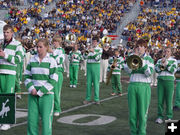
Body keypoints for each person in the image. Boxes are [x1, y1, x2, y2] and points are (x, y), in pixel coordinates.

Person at [24, 38, 58, 135]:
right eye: (37, 47)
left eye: (40, 47)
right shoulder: (32, 60)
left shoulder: (51, 61)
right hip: (33, 95)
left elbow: (54, 79)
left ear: (46, 47)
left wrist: (40, 92)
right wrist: (32, 89)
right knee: (31, 121)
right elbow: (27, 76)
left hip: (46, 95)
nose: (38, 49)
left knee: (46, 122)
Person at [124, 39, 154, 135]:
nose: (139, 48)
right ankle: (133, 132)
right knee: (132, 113)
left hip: (144, 86)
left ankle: (141, 132)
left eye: (141, 46)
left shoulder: (149, 59)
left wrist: (141, 61)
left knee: (142, 113)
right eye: (137, 46)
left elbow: (149, 73)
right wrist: (132, 59)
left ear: (145, 48)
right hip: (132, 85)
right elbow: (128, 70)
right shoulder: (132, 57)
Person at [0, 24, 24, 130]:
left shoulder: (17, 44)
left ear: (12, 33)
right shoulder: (1, 44)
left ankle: (8, 122)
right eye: (4, 32)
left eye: (7, 32)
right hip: (0, 72)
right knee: (1, 97)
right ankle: (2, 119)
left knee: (8, 96)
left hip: (10, 73)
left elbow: (19, 59)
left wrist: (5, 55)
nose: (5, 34)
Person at [155, 47, 177, 124]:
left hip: (169, 81)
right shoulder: (159, 60)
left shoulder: (174, 60)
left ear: (171, 53)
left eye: (168, 51)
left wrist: (167, 64)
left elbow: (173, 70)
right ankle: (160, 116)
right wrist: (161, 63)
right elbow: (157, 70)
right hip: (160, 81)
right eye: (165, 51)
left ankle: (169, 116)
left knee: (169, 100)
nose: (166, 53)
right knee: (160, 100)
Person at [83, 37, 102, 105]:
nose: (94, 43)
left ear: (97, 42)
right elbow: (84, 57)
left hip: (96, 66)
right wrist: (86, 52)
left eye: (95, 41)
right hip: (89, 66)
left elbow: (98, 58)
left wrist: (93, 52)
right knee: (88, 83)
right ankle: (87, 98)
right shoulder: (89, 48)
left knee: (96, 83)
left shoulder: (99, 49)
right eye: (93, 41)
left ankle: (97, 99)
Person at [51, 36, 65, 116]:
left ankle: (57, 109)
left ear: (59, 42)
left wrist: (52, 54)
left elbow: (59, 61)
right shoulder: (53, 50)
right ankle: (51, 108)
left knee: (56, 92)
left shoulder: (61, 50)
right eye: (53, 41)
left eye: (56, 41)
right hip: (51, 72)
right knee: (50, 92)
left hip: (58, 72)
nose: (54, 43)